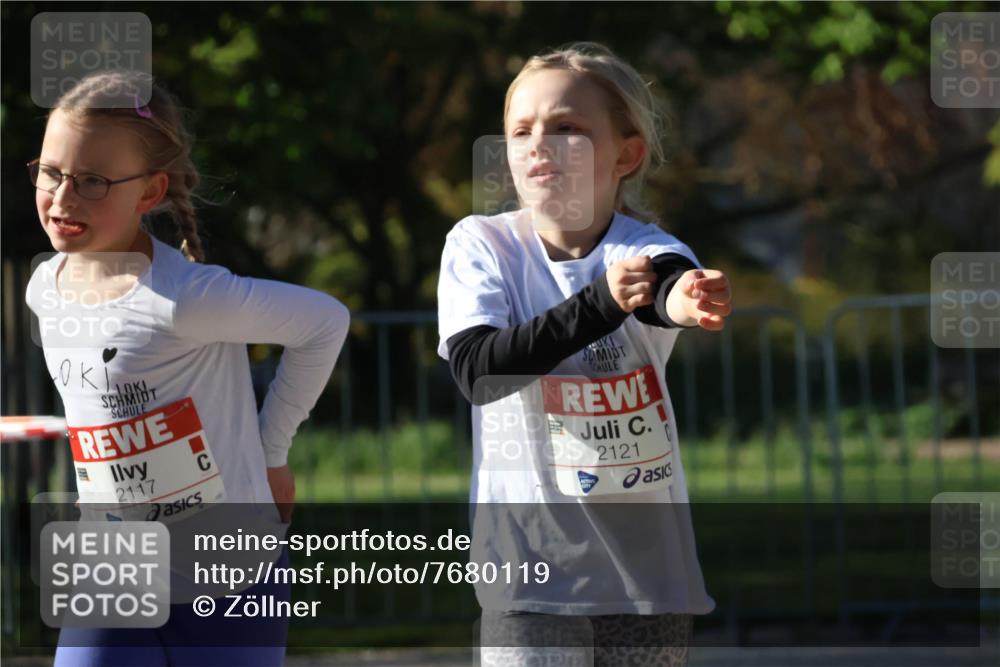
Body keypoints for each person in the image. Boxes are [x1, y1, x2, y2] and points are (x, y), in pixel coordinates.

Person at [24, 71, 350, 666]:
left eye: (92, 180)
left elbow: (325, 322)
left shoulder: (187, 297)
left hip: (231, 584)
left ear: (150, 193)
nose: (63, 199)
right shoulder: (44, 287)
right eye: (51, 172)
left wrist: (270, 450)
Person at [436, 42, 732, 666]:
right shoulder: (482, 245)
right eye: (521, 130)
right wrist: (599, 304)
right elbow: (479, 371)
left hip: (646, 581)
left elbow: (666, 286)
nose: (539, 143)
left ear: (626, 154)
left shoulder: (645, 247)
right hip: (529, 575)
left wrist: (687, 300)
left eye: (568, 128)